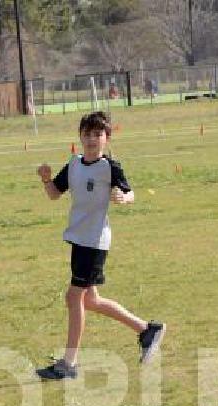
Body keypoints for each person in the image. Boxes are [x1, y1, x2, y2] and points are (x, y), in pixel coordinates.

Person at [34, 111, 166, 380]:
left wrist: (123, 197)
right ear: (80, 137)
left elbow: (130, 193)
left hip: (94, 242)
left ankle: (69, 364)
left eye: (98, 134)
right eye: (88, 134)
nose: (92, 139)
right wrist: (46, 179)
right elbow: (54, 195)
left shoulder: (110, 166)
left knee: (74, 298)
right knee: (90, 300)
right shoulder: (73, 164)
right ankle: (146, 330)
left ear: (107, 138)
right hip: (78, 239)